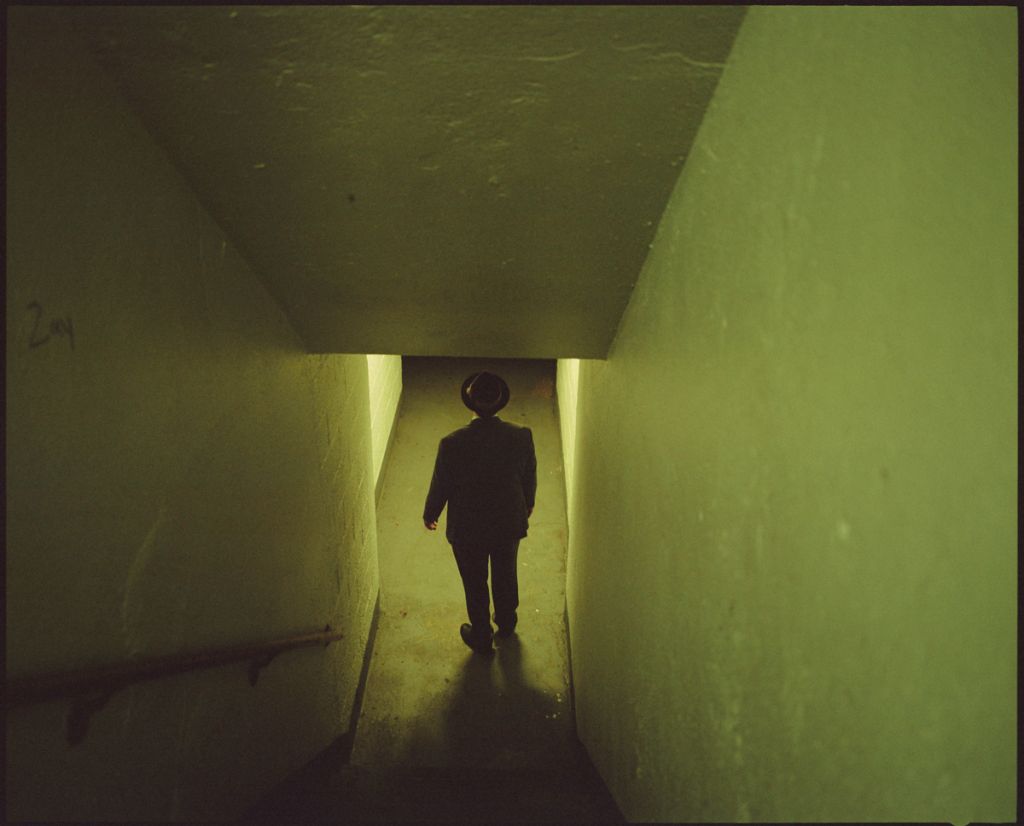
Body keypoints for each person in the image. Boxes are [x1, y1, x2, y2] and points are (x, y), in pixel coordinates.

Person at [423, 371, 537, 654]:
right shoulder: (521, 436)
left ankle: (482, 636)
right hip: (508, 520)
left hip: (467, 526)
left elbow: (442, 484)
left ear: (470, 403)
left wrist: (431, 513)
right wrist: (527, 502)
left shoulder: (451, 443)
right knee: (505, 573)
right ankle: (507, 622)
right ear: (501, 403)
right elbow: (528, 475)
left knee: (474, 581)